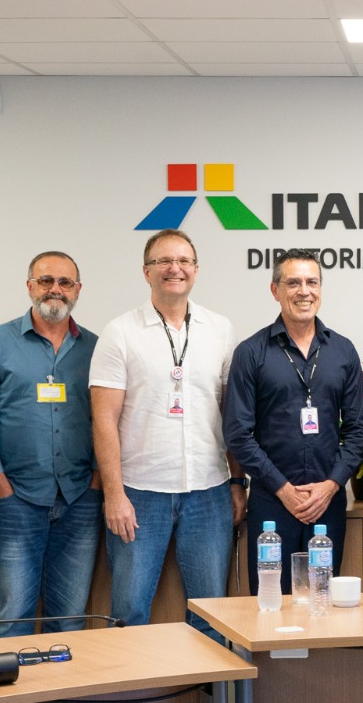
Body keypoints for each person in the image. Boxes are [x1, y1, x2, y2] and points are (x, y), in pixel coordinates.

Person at [90, 230, 243, 640]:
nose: (174, 269)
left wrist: (237, 481)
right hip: (139, 494)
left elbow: (231, 413)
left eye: (183, 261)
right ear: (146, 272)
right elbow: (103, 419)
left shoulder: (221, 329)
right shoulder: (120, 332)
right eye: (163, 262)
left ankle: (213, 694)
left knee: (211, 614)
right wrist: (114, 494)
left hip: (209, 492)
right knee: (130, 610)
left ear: (195, 269)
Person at [0, 251, 101, 638]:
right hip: (17, 499)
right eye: (45, 281)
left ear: (77, 290)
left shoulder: (96, 348)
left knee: (71, 619)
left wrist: (97, 480)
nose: (55, 289)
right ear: (29, 286)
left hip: (80, 499)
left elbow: (108, 420)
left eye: (64, 282)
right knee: (14, 615)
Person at [225, 249, 363, 594]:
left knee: (323, 601)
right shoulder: (251, 352)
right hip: (272, 503)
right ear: (275, 290)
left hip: (327, 501)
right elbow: (238, 433)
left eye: (312, 282)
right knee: (271, 602)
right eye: (293, 283)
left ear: (320, 288)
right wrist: (284, 490)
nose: (304, 291)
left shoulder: (343, 351)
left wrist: (331, 486)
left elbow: (358, 429)